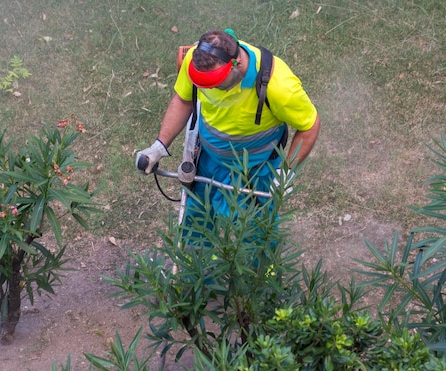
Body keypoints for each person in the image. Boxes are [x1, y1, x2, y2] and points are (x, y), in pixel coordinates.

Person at [136, 29, 320, 233]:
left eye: (216, 84)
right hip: (207, 159)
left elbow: (309, 126)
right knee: (196, 217)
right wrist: (158, 147)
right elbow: (183, 99)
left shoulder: (279, 86)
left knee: (255, 227)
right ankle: (198, 260)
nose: (209, 90)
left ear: (236, 65)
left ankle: (260, 266)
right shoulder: (196, 62)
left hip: (256, 169)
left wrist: (285, 173)